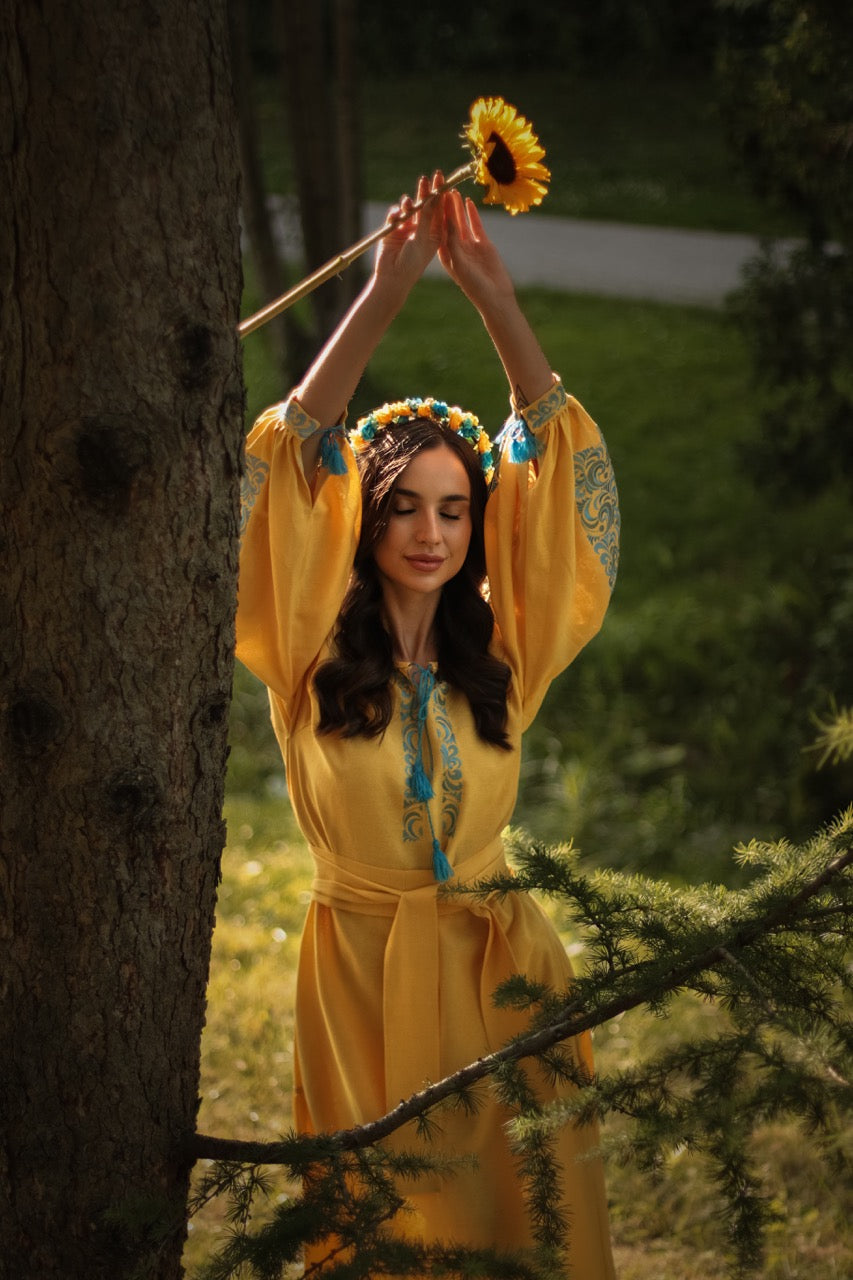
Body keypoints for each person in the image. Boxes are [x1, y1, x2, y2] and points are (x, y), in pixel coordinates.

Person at [236, 172, 620, 1276]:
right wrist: (384, 294)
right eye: (403, 504)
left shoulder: (502, 657)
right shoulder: (306, 655)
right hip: (361, 974)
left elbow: (560, 496)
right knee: (386, 1235)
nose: (431, 532)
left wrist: (497, 298)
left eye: (455, 508)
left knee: (526, 1228)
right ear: (362, 518)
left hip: (508, 974)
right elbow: (291, 455)